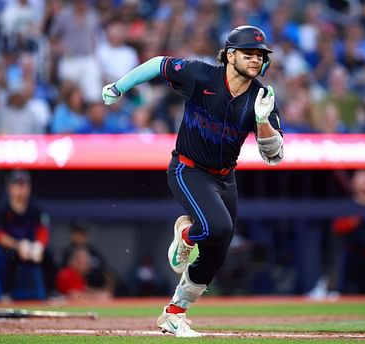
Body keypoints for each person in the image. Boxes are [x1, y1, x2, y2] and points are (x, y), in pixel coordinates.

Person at [102, 25, 283, 337]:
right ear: (230, 55)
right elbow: (158, 63)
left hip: (225, 178)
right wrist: (120, 86)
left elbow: (275, 154)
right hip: (188, 169)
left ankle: (173, 314)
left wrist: (264, 121)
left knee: (217, 254)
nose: (256, 60)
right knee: (219, 228)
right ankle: (186, 234)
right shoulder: (202, 75)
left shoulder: (261, 97)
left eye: (260, 55)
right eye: (248, 53)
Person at [0, 169, 55, 300]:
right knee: (10, 257)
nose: (21, 189)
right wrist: (17, 245)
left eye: (24, 185)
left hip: (31, 248)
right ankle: (6, 294)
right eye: (17, 185)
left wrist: (39, 245)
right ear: (10, 188)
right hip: (12, 249)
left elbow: (43, 229)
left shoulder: (35, 208)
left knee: (48, 256)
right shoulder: (2, 208)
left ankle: (52, 293)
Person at [61, 218, 114, 293]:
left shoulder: (94, 252)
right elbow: (65, 277)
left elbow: (107, 273)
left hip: (96, 289)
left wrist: (107, 290)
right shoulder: (67, 252)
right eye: (76, 233)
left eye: (82, 233)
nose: (79, 236)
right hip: (76, 291)